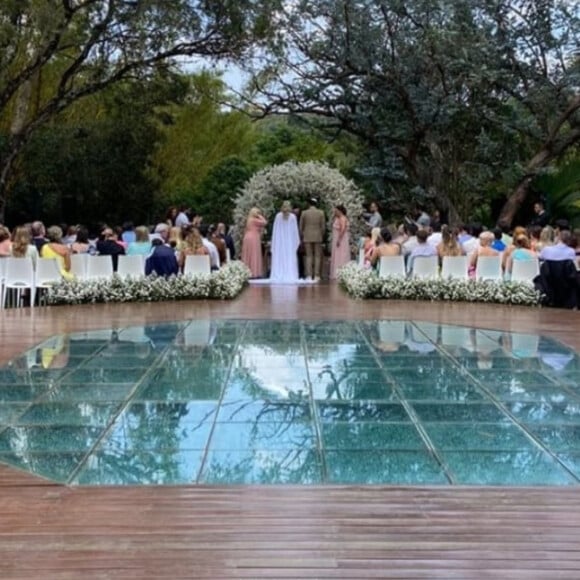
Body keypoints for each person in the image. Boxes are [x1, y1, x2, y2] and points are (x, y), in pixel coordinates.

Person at [269, 200, 301, 283]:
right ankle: (290, 273)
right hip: (289, 241)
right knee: (289, 255)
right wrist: (296, 241)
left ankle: (279, 272)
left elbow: (275, 230)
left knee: (280, 255)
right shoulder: (292, 217)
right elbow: (295, 231)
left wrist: (275, 241)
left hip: (280, 241)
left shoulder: (278, 216)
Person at [300, 198, 326, 281]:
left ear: (309, 204)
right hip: (318, 235)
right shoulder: (321, 213)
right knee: (317, 256)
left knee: (308, 256)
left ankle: (308, 275)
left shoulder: (304, 213)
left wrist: (302, 234)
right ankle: (317, 275)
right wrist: (321, 234)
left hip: (307, 235)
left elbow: (301, 226)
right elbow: (323, 226)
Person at [241, 207, 267, 278]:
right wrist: (260, 216)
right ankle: (254, 272)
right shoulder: (255, 220)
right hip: (253, 237)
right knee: (254, 254)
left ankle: (247, 271)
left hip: (247, 237)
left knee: (248, 254)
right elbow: (264, 222)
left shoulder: (249, 219)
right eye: (257, 212)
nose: (258, 214)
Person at [329, 204, 350, 280]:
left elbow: (343, 228)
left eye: (336, 211)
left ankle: (340, 273)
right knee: (337, 255)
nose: (335, 212)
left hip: (341, 240)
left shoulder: (342, 218)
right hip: (338, 239)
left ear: (340, 211)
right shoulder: (337, 218)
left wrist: (339, 239)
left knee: (341, 255)